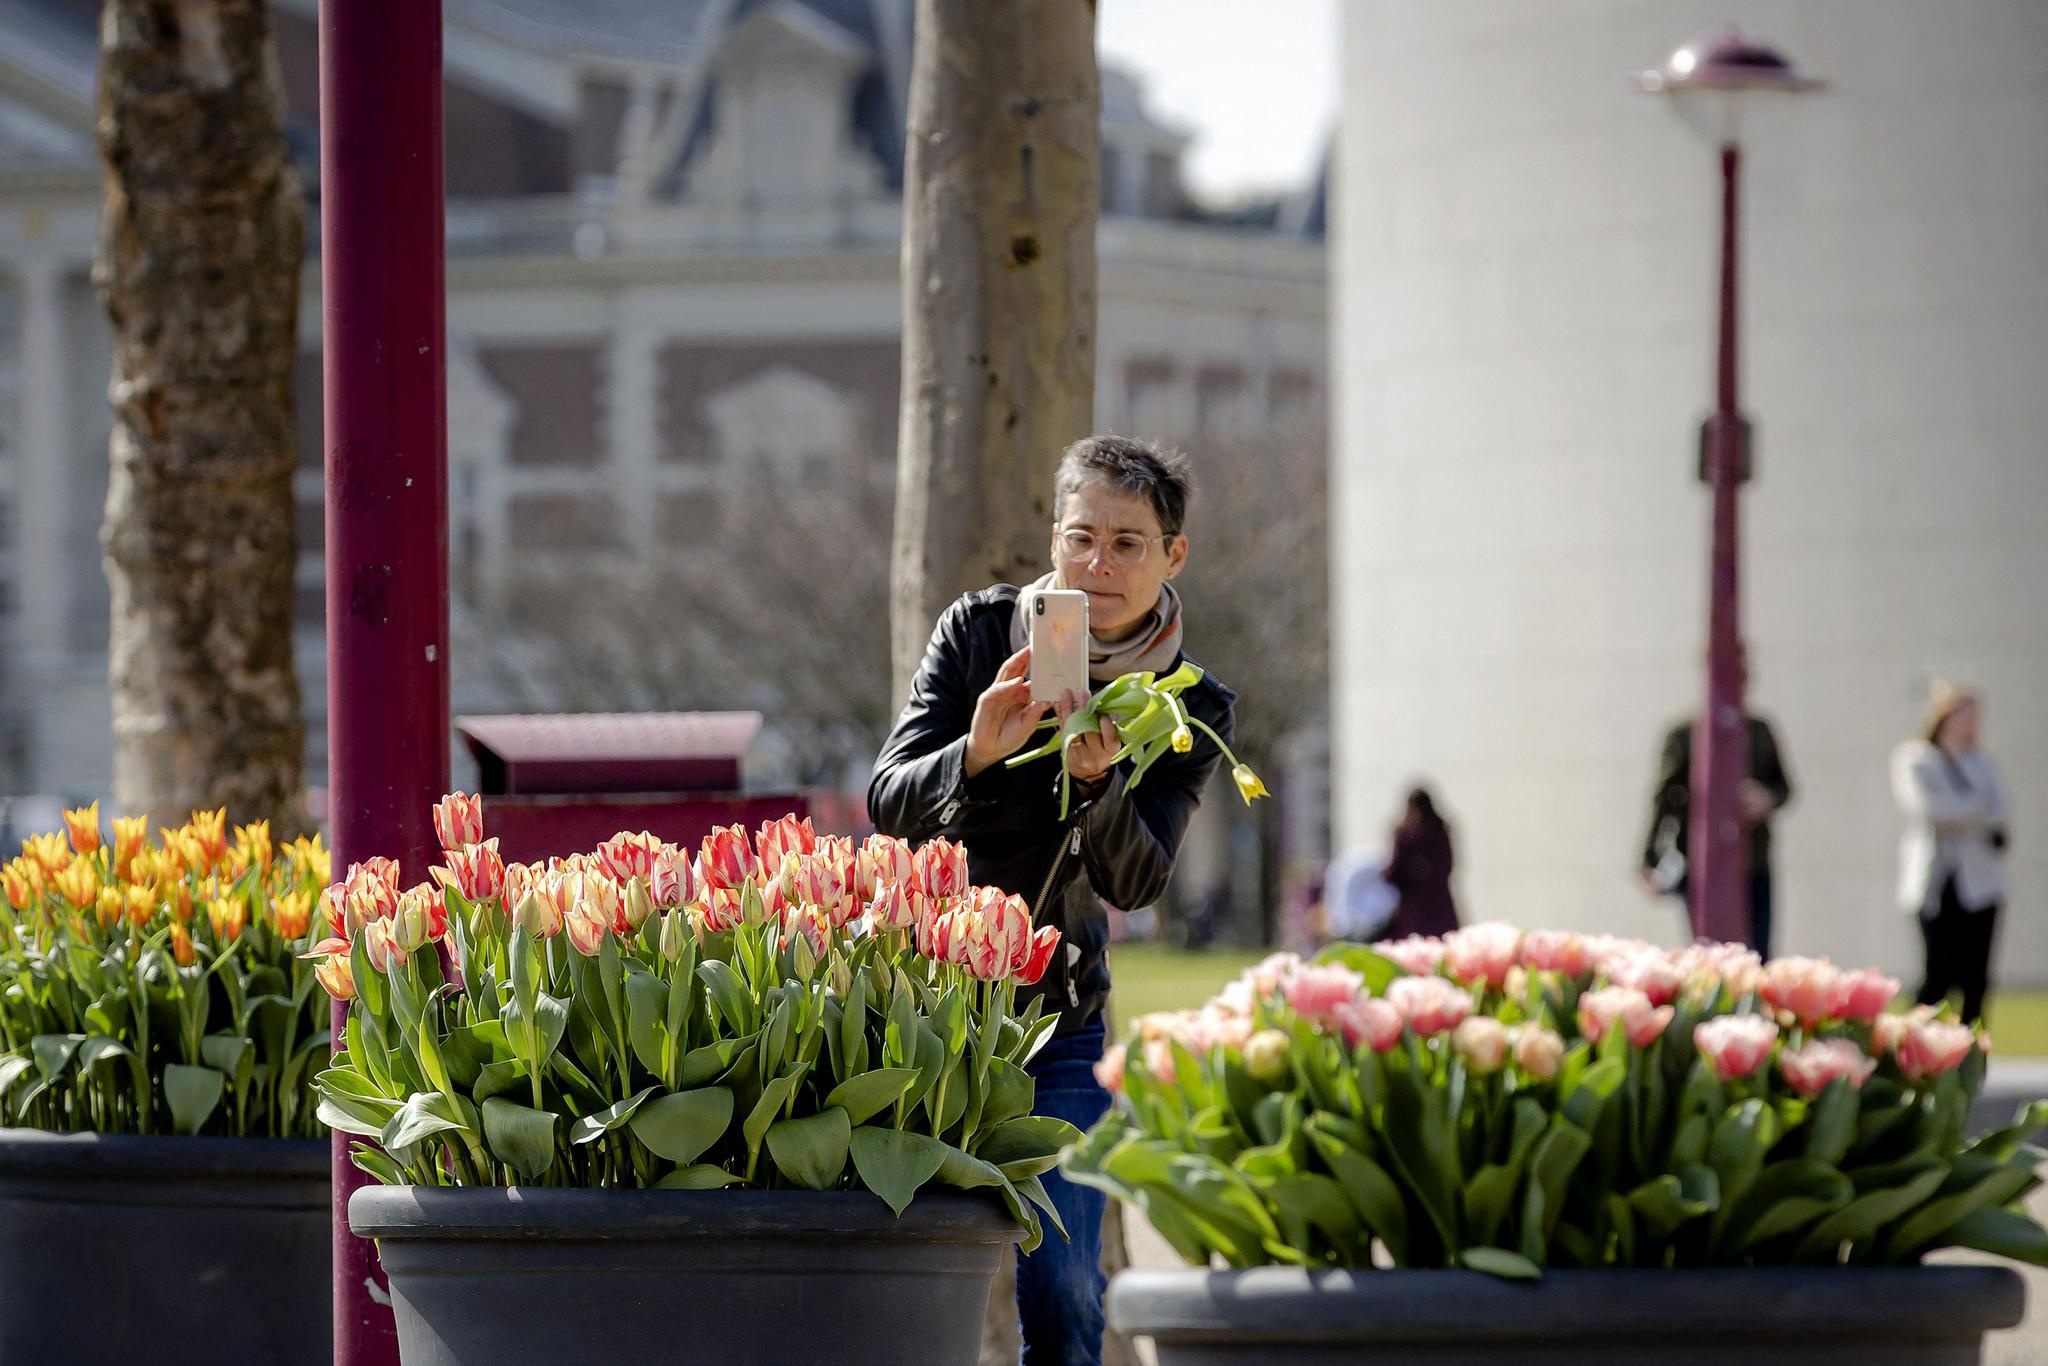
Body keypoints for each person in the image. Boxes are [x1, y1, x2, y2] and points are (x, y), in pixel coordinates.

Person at [868, 435, 1235, 1366]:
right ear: (1055, 538)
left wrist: (1102, 788)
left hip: (1058, 1018)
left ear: (1172, 555)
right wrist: (978, 752)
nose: (1098, 565)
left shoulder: (1191, 706)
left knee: (1068, 1287)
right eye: (1080, 538)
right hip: (926, 1007)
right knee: (891, 1274)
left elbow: (1138, 880)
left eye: (1127, 543)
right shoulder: (980, 634)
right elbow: (889, 800)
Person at [1892, 682, 2007, 1025]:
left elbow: (2002, 809)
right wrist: (1976, 808)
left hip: (1981, 880)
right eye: (1963, 713)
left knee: (1977, 976)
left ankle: (1972, 1054)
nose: (1970, 721)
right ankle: (1919, 1049)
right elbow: (1928, 809)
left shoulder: (1981, 761)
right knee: (1936, 972)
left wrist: (1960, 810)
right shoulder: (1916, 758)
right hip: (1936, 879)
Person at [1639, 712, 1794, 956]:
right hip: (1699, 862)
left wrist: (1766, 798)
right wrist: (1649, 858)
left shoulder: (1759, 731)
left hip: (1753, 862)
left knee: (1758, 952)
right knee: (1707, 949)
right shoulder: (1685, 735)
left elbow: (1784, 788)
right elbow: (1665, 799)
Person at [1382, 787, 1458, 940]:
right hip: (1441, 908)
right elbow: (1447, 866)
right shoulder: (1440, 831)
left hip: (1413, 911)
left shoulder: (1406, 833)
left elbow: (1395, 871)